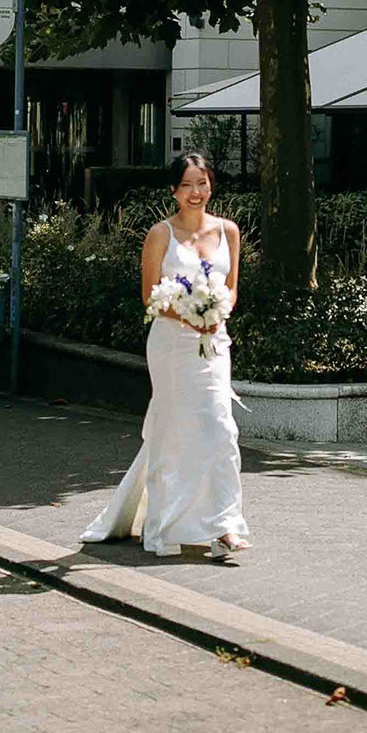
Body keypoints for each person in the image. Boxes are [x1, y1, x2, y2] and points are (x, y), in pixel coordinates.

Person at [81, 150, 252, 561]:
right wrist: (190, 315)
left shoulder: (229, 231)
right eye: (187, 184)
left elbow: (231, 288)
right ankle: (167, 523)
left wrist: (215, 312)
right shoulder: (161, 234)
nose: (196, 192)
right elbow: (148, 297)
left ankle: (225, 525)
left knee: (220, 427)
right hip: (172, 345)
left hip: (215, 342)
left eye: (203, 183)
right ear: (173, 190)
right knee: (174, 431)